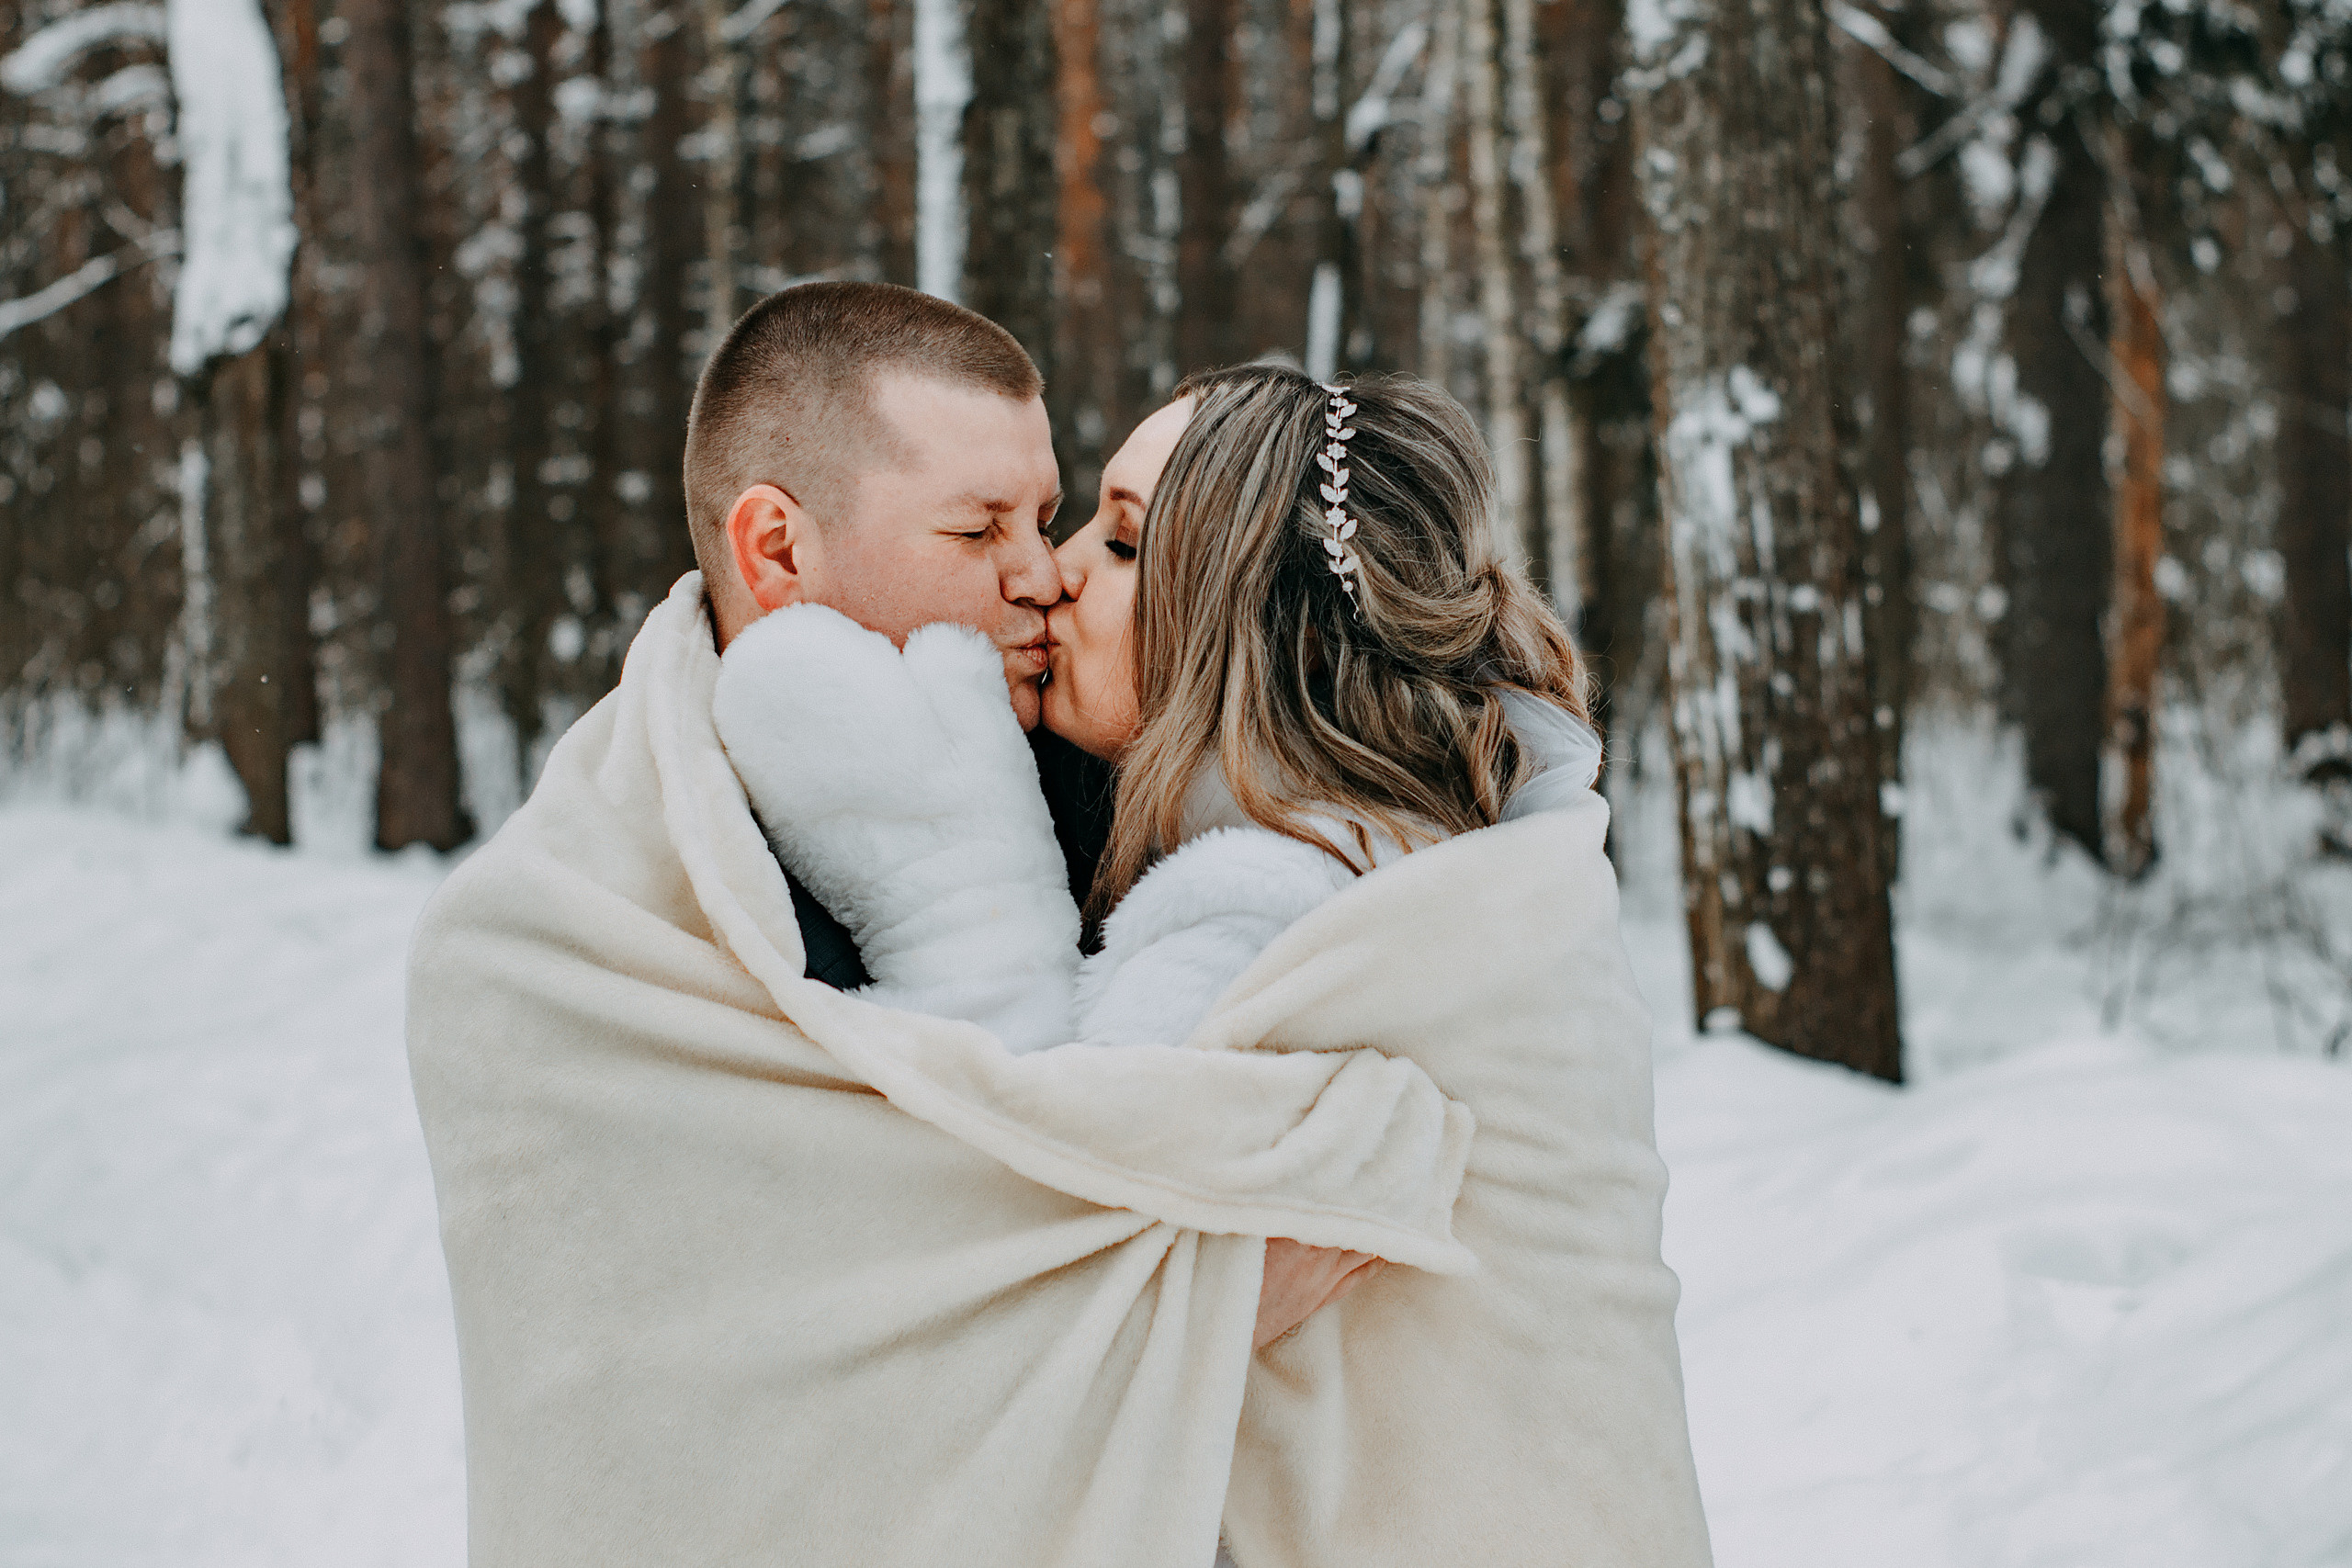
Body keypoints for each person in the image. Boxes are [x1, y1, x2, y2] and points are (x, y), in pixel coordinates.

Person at [714, 362, 1603, 1058]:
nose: (1055, 570)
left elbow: (1040, 1211)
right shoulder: (1368, 857)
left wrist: (962, 891)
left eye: (1123, 542)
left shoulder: (1251, 923)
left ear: (1276, 635)